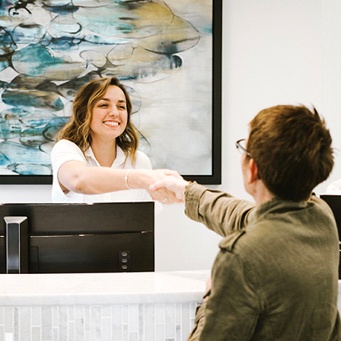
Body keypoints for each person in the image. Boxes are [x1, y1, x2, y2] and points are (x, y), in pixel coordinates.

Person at [150, 104, 341, 340]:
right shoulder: (322, 218)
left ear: (252, 168)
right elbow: (244, 215)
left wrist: (211, 296)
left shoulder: (241, 256)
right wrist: (188, 192)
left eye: (244, 149)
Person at [51, 76, 177, 203]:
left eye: (121, 107)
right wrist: (138, 179)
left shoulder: (140, 161)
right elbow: (79, 181)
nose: (115, 113)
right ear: (84, 113)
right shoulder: (66, 149)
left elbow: (144, 218)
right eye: (104, 105)